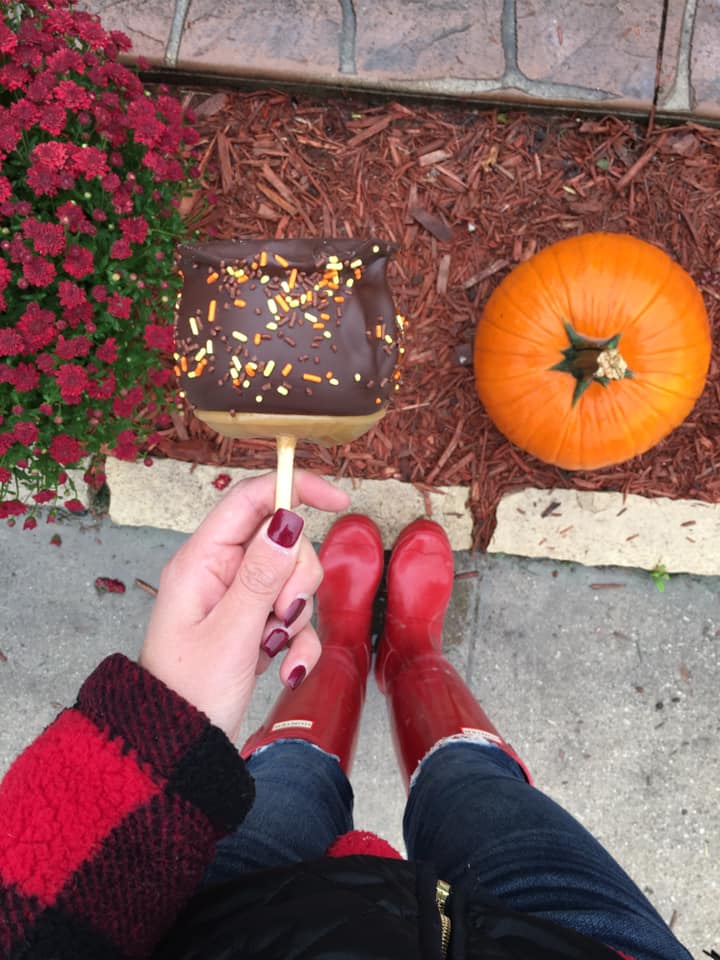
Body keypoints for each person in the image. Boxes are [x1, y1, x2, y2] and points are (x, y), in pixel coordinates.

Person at [0, 471, 692, 960]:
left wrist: (154, 725)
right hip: (572, 945)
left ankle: (346, 649)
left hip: (230, 923)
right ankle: (410, 652)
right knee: (478, 787)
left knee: (290, 779)